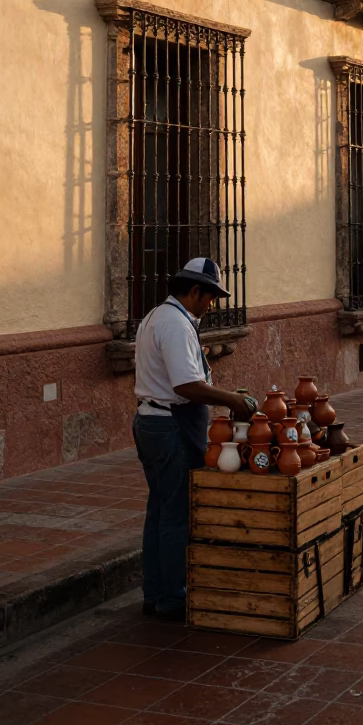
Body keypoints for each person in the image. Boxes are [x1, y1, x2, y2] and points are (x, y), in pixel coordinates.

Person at [133, 257, 257, 621]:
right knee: (174, 516)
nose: (212, 305)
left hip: (152, 421)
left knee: (158, 512)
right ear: (193, 291)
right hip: (169, 426)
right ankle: (172, 598)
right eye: (210, 297)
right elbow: (185, 384)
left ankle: (154, 593)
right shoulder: (174, 323)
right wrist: (232, 399)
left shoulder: (158, 316)